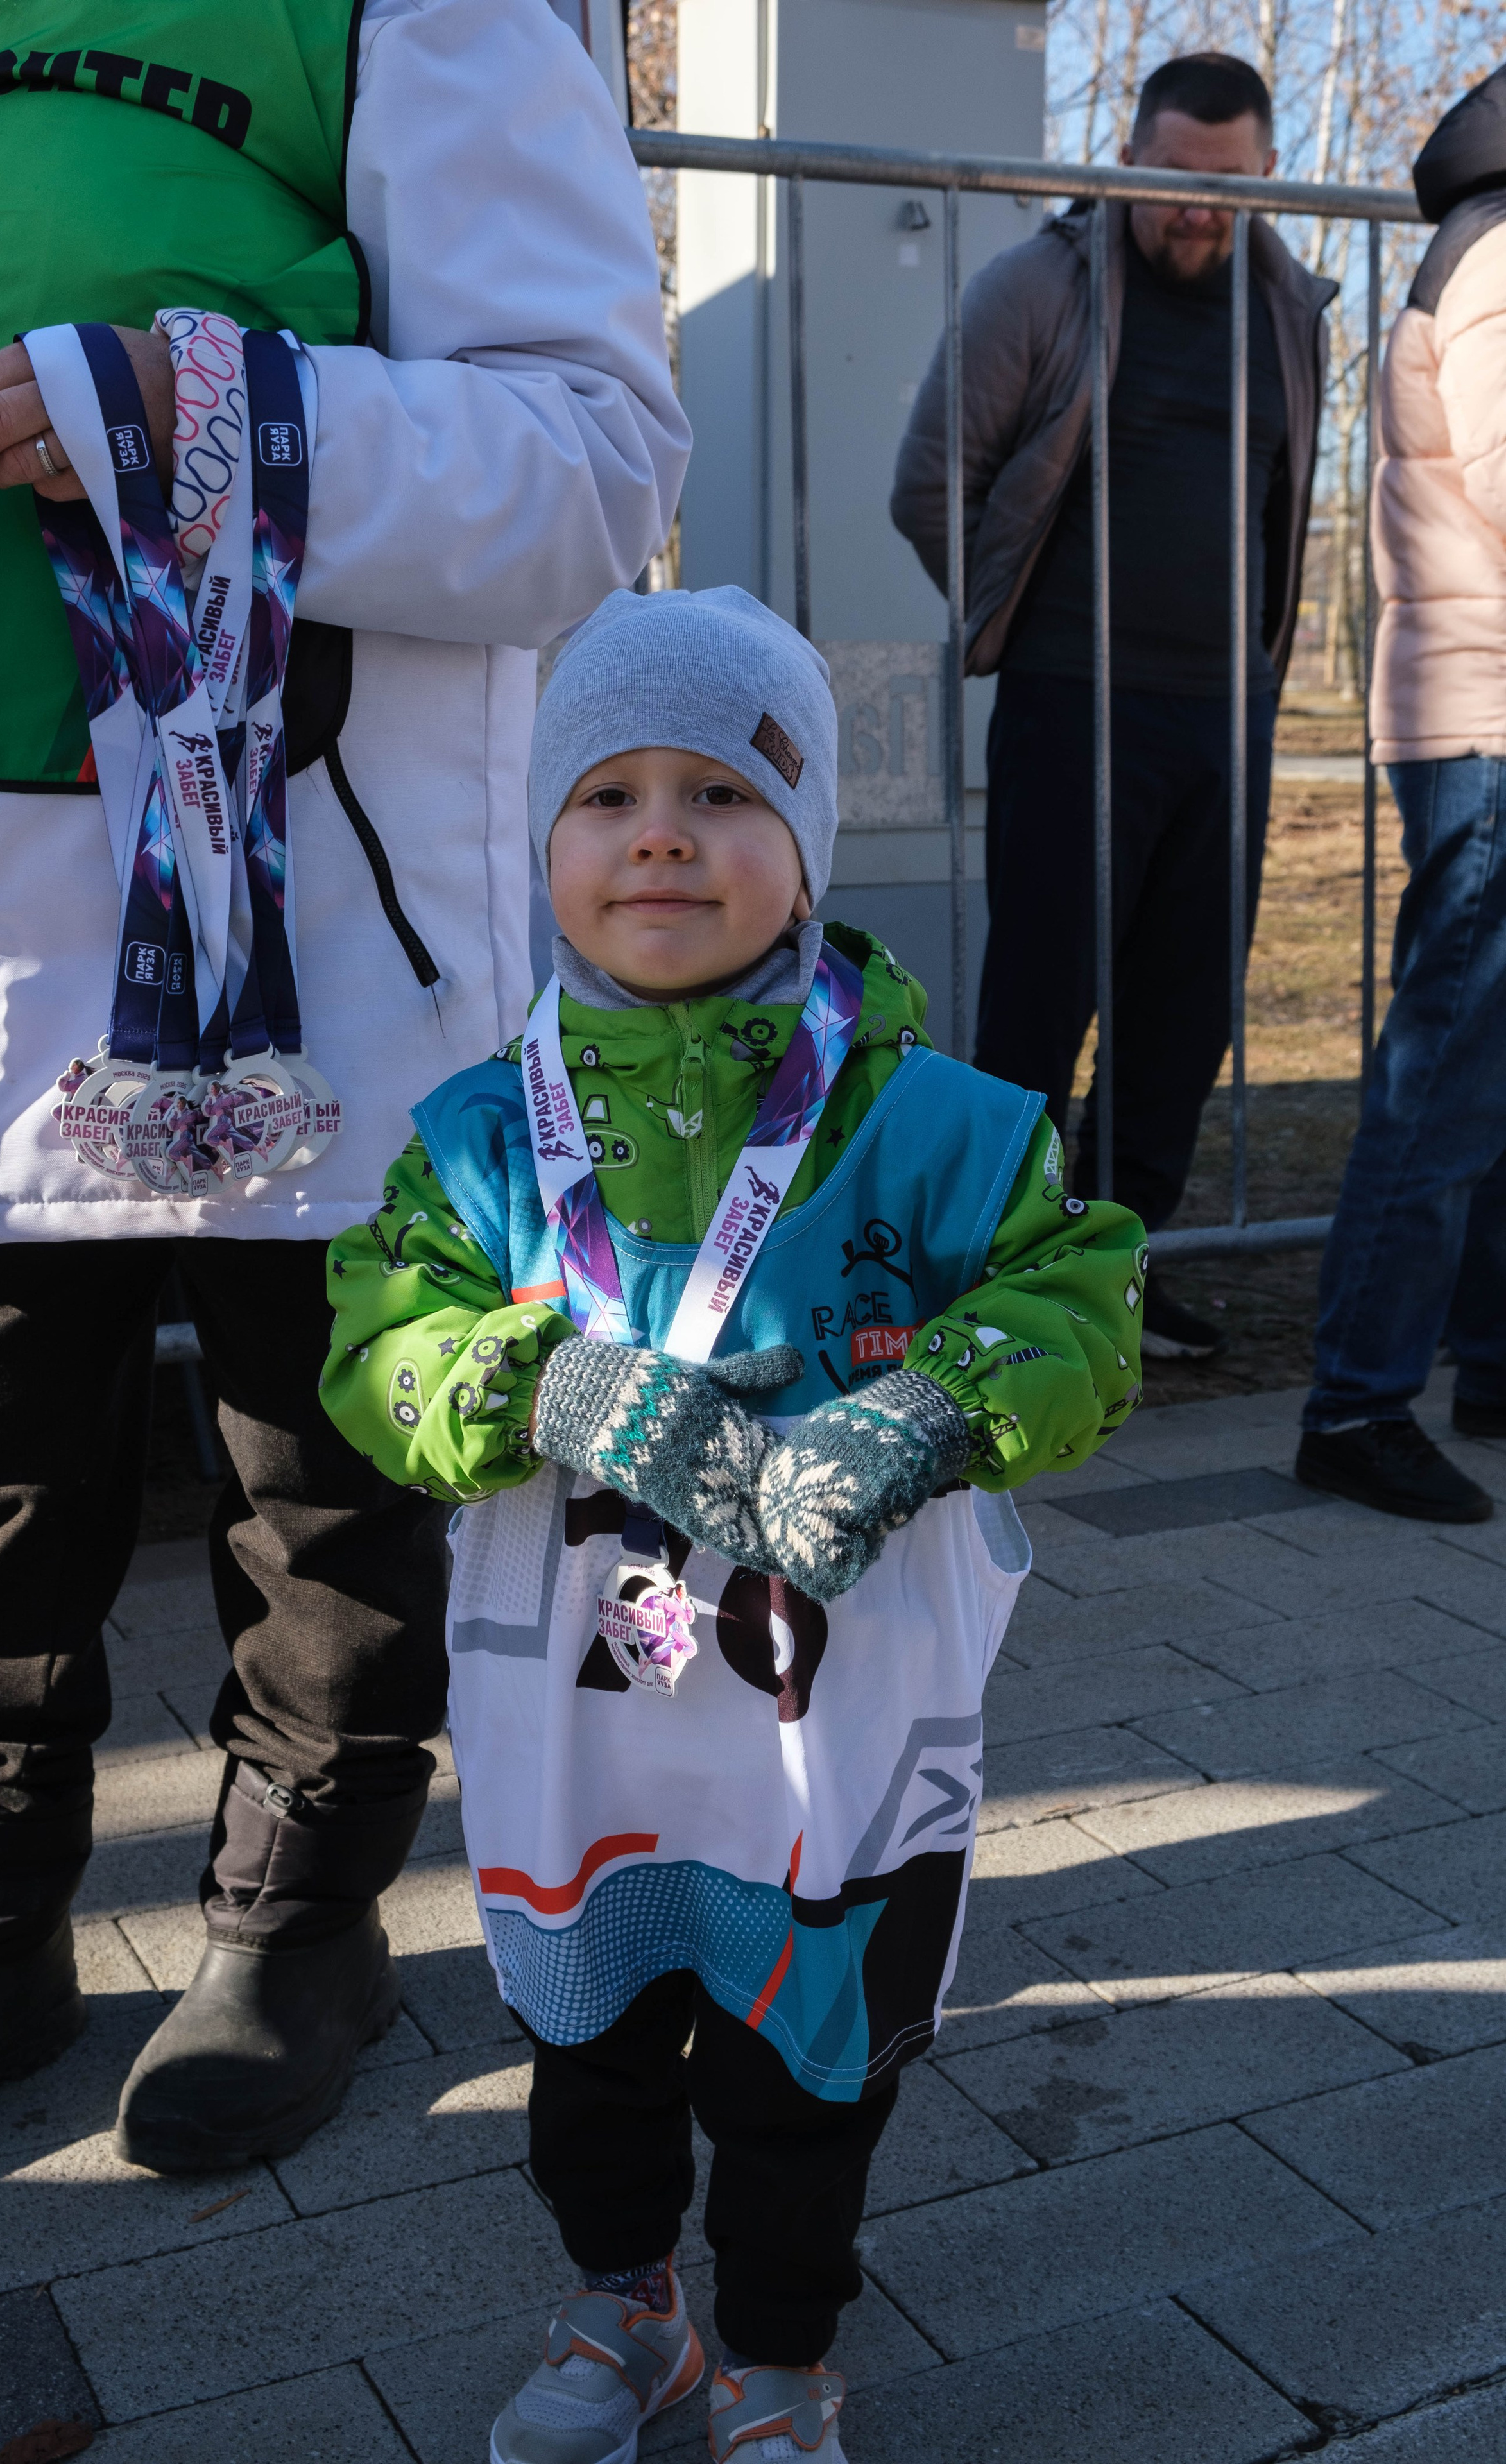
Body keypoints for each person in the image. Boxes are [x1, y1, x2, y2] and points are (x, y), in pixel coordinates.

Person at [0, 0, 688, 2197]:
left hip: (298, 930)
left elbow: (595, 461)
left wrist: (195, 414)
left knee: (315, 1464)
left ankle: (304, 1916)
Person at [321, 587, 1144, 2463]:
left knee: (809, 2069)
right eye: (605, 795)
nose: (662, 833)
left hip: (822, 1737)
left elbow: (1082, 1297)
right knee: (590, 2054)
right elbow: (377, 1336)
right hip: (583, 1736)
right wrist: (540, 1383)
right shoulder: (473, 1136)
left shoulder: (945, 1127)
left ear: (809, 843)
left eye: (722, 791)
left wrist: (936, 1407)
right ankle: (629, 2309)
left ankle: (781, 2352)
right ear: (547, 848)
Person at [891, 52, 1334, 1360]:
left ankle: (1116, 1279)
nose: (1196, 209)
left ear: (1263, 178)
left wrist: (1256, 669)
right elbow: (932, 481)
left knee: (1181, 1015)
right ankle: (988, 1282)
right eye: (1171, 180)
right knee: (1038, 1003)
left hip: (1223, 717)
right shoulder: (1042, 286)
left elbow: (1277, 499)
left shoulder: (1289, 306)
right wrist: (1013, 623)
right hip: (1068, 704)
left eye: (1227, 187)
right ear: (1123, 159)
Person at [1296, 70, 1506, 1524]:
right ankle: (1355, 1405)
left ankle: (1487, 1362)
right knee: (1440, 1070)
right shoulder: (1498, 255)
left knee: (1482, 1070)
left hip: (1478, 711)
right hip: (1487, 718)